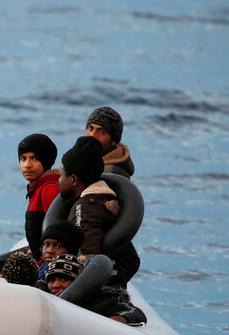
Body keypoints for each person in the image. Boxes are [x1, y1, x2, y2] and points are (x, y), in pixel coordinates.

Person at [58, 135, 141, 286]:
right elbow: (132, 261)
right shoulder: (103, 200)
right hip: (116, 278)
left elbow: (86, 255)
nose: (58, 180)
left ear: (74, 179)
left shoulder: (85, 208)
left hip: (99, 288)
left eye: (61, 175)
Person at [18, 133, 60, 257]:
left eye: (34, 158)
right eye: (23, 158)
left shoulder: (49, 189)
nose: (27, 165)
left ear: (46, 160)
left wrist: (42, 261)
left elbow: (57, 236)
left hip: (46, 259)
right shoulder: (36, 188)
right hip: (38, 253)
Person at [85, 107, 134, 178]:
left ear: (113, 141)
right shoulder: (88, 161)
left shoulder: (110, 174)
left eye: (101, 132)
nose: (92, 135)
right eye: (90, 128)